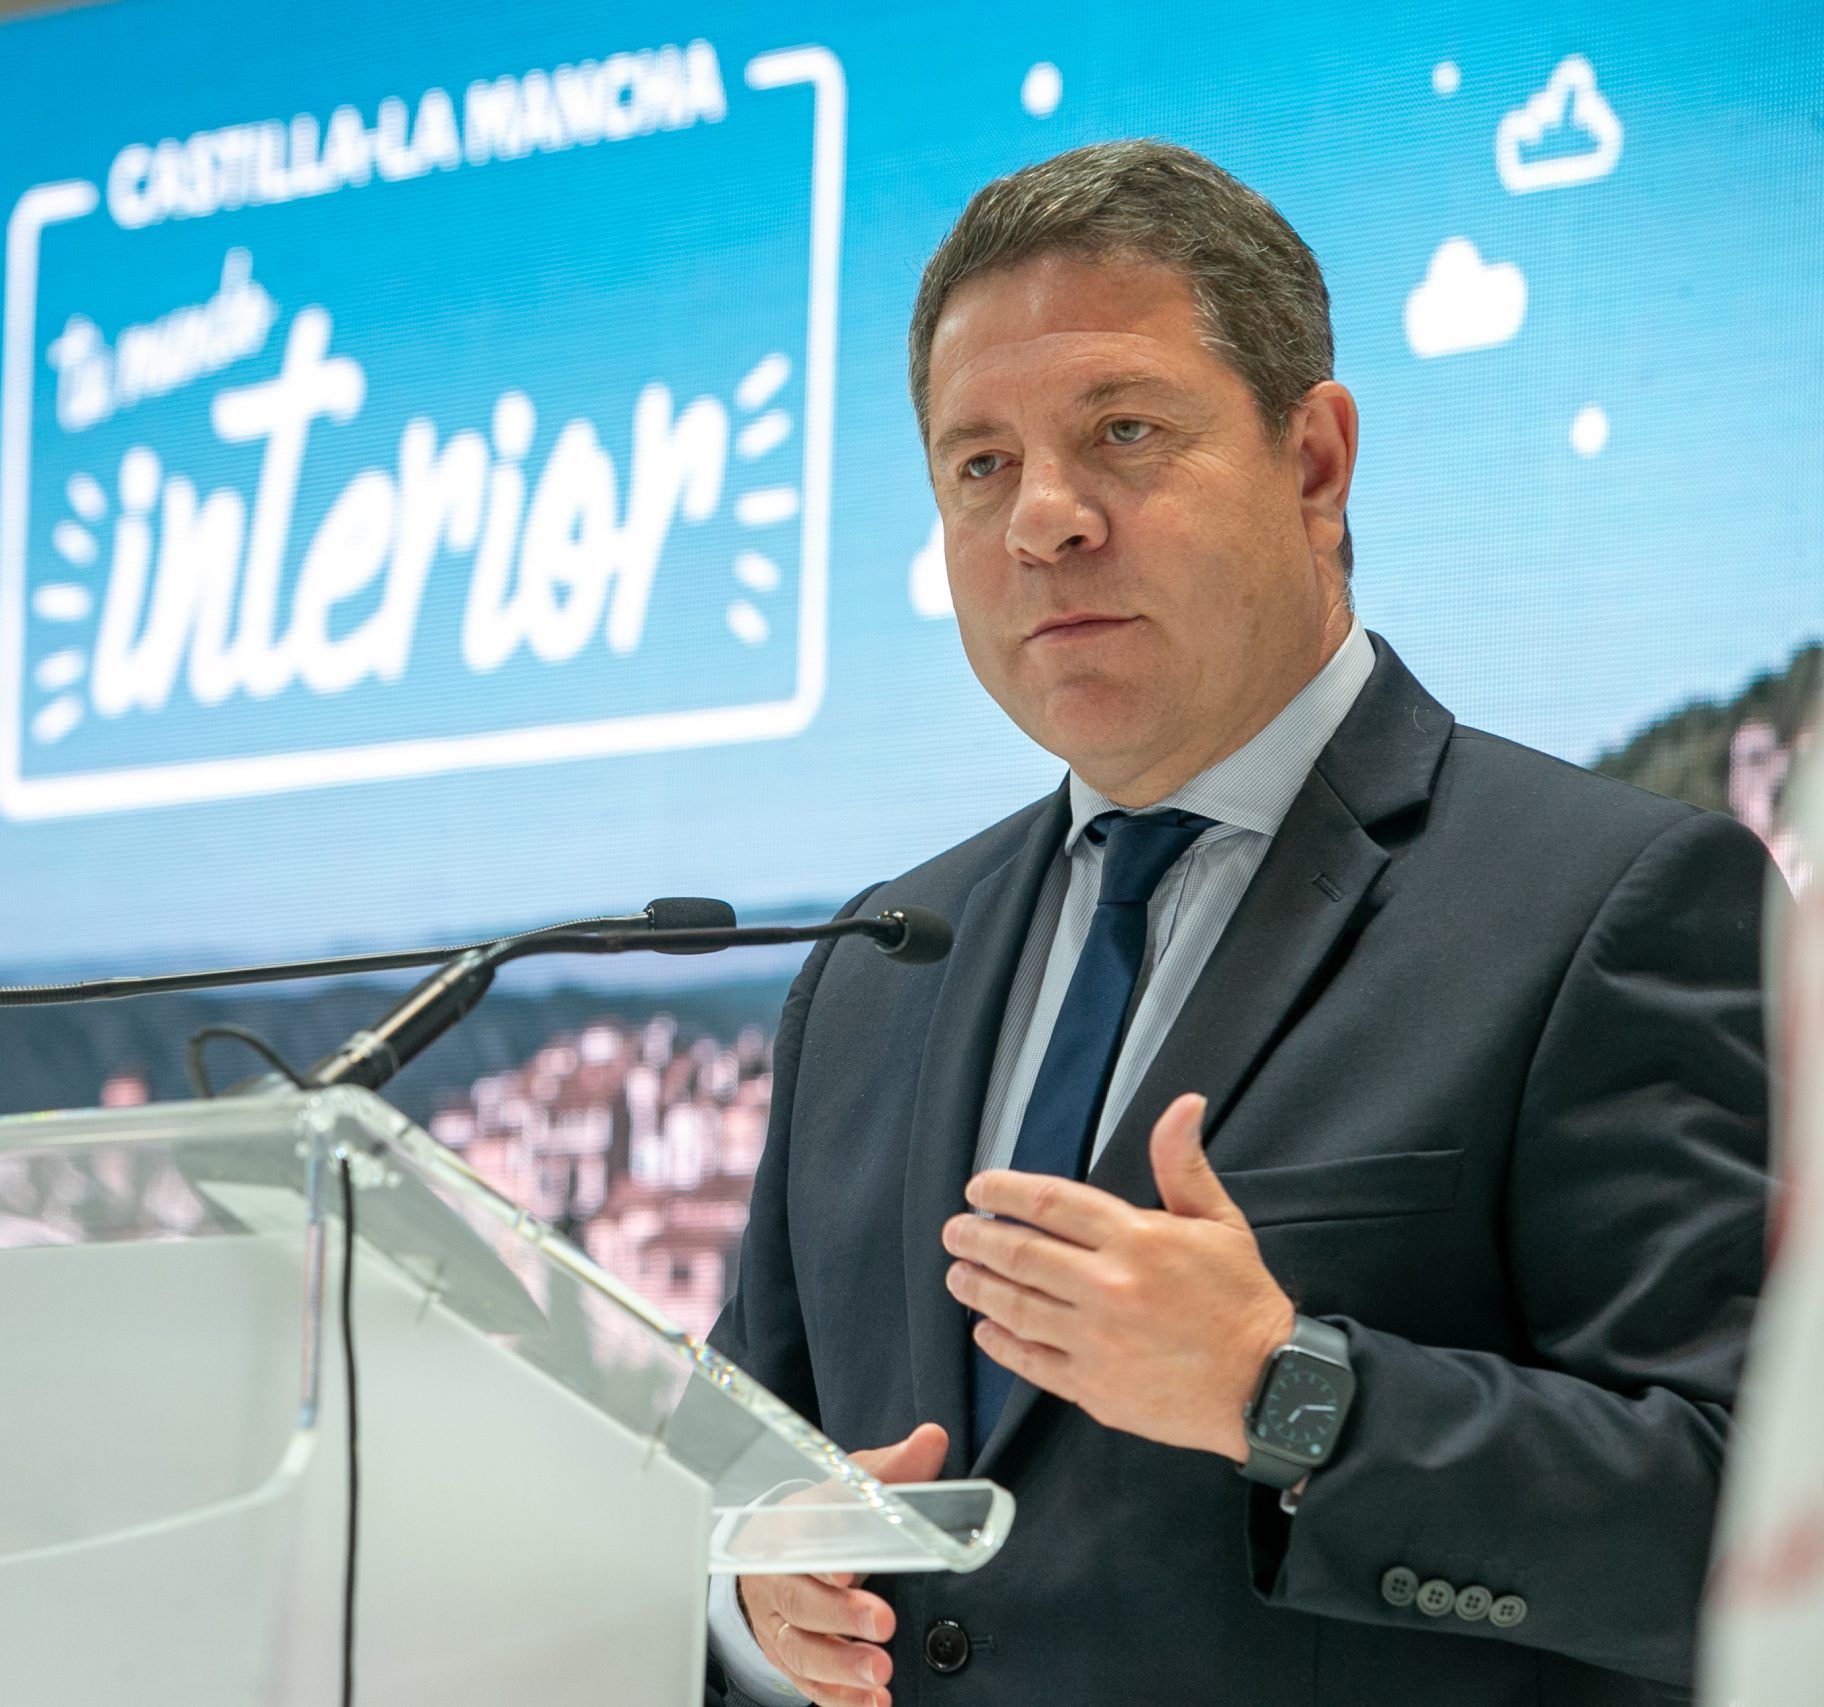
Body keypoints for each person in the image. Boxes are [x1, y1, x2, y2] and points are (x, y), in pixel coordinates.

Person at [704, 140, 1774, 1707]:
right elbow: (749, 1471)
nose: (1042, 521)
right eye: (980, 466)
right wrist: (753, 1596)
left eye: (1122, 431)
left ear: (1315, 463)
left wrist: (1288, 1395)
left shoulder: (1614, 900)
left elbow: (1746, 1520)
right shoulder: (878, 963)